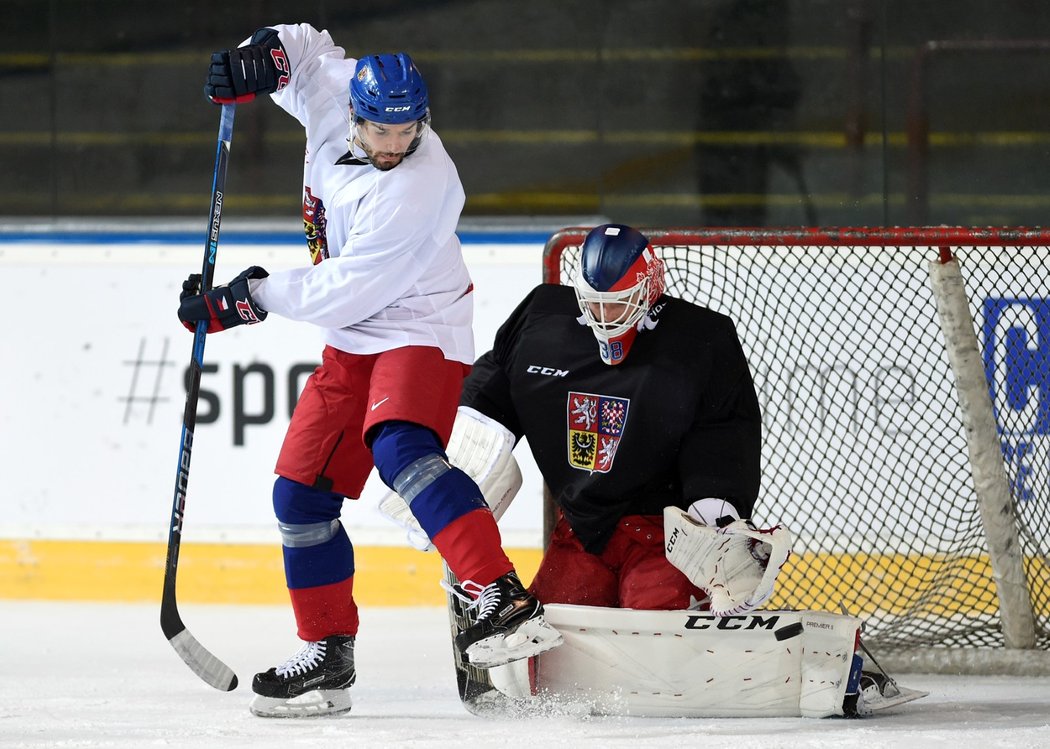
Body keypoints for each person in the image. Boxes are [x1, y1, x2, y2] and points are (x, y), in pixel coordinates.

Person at [176, 23, 560, 718]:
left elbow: (350, 286)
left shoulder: (422, 183)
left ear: (423, 122)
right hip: (352, 341)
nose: (393, 145)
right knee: (299, 497)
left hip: (420, 327)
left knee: (401, 445)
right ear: (355, 116)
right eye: (381, 131)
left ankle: (499, 591)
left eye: (406, 130)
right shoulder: (333, 96)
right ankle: (328, 657)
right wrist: (260, 58)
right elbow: (309, 49)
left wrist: (248, 298)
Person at [458, 223, 766, 611]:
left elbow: (722, 431)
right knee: (552, 646)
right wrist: (464, 447)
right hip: (585, 530)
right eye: (594, 302)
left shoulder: (701, 341)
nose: (604, 316)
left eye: (619, 302)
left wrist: (716, 521)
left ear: (651, 289)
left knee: (657, 633)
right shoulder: (542, 322)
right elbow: (497, 378)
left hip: (666, 532)